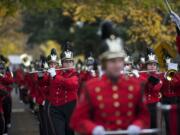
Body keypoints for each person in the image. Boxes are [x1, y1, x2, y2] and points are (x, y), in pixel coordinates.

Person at [70, 21, 150, 135]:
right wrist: (93, 129)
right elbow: (77, 120)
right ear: (103, 63)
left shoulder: (135, 85)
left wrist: (137, 125)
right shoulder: (90, 87)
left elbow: (144, 116)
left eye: (120, 60)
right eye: (112, 61)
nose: (117, 65)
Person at [48, 44, 79, 135]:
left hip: (70, 107)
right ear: (62, 63)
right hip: (56, 108)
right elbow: (45, 83)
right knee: (59, 132)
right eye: (65, 61)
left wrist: (55, 76)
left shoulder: (75, 74)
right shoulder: (57, 72)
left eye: (70, 61)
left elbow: (70, 84)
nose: (68, 64)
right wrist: (41, 77)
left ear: (73, 63)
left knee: (69, 132)